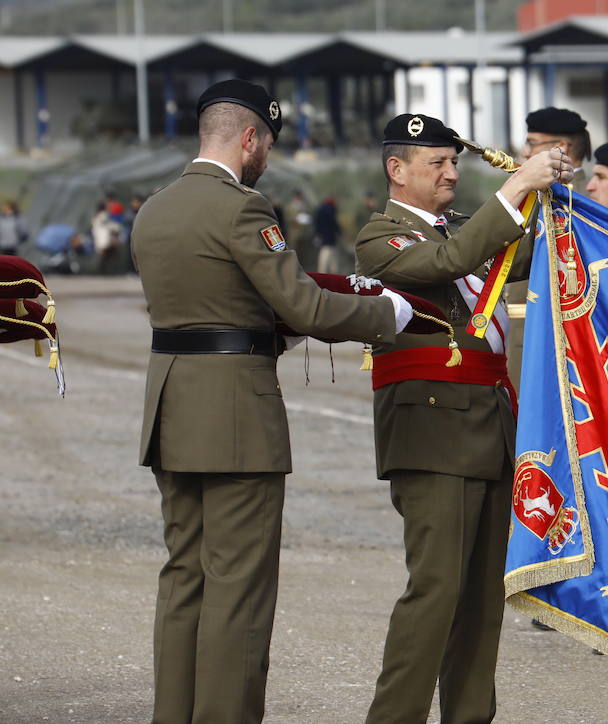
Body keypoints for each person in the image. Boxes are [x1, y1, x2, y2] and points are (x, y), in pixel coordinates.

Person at [131, 79, 408, 724]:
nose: (267, 160)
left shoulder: (155, 209)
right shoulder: (243, 209)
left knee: (184, 581)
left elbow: (205, 307)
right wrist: (385, 314)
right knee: (239, 590)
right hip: (235, 413)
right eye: (267, 145)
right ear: (250, 137)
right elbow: (304, 304)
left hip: (171, 406)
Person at [354, 113, 569, 724]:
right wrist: (515, 188)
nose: (452, 173)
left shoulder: (461, 233)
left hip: (489, 427)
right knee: (436, 593)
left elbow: (514, 254)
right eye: (436, 165)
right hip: (431, 435)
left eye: (455, 163)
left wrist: (556, 202)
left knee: (480, 602)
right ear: (397, 170)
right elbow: (442, 263)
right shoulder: (382, 236)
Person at [505, 106, 590, 398]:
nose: (526, 153)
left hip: (557, 339)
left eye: (532, 144)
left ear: (561, 148)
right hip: (523, 333)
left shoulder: (583, 198)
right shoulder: (542, 191)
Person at [314, 196, 342, 273]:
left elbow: (316, 223)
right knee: (330, 255)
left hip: (323, 236)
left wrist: (317, 234)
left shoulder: (320, 209)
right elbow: (333, 222)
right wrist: (339, 231)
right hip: (330, 237)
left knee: (325, 255)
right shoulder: (331, 210)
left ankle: (323, 272)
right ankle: (331, 273)